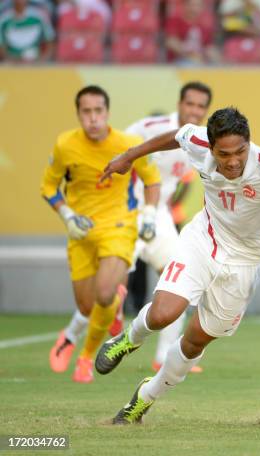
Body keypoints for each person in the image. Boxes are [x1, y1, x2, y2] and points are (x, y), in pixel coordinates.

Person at [95, 107, 260, 425]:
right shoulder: (198, 141)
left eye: (240, 152)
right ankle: (129, 339)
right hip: (204, 239)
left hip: (246, 262)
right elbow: (177, 135)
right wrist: (129, 156)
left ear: (249, 143)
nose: (232, 161)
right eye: (224, 153)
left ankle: (143, 400)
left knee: (194, 342)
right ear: (211, 145)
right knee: (163, 313)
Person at [41, 85, 161, 383]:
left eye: (98, 111)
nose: (93, 118)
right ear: (78, 114)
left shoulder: (128, 144)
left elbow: (152, 179)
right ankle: (71, 335)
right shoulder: (65, 145)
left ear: (107, 113)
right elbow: (48, 186)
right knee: (86, 306)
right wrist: (67, 215)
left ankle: (86, 357)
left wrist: (149, 214)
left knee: (105, 294)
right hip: (81, 232)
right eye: (86, 112)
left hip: (119, 226)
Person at [125, 81, 213, 373]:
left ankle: (164, 356)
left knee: (179, 284)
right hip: (126, 210)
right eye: (190, 103)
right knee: (111, 286)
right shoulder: (153, 126)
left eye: (201, 106)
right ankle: (92, 344)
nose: (194, 110)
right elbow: (121, 144)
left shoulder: (200, 140)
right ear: (179, 103)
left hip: (159, 214)